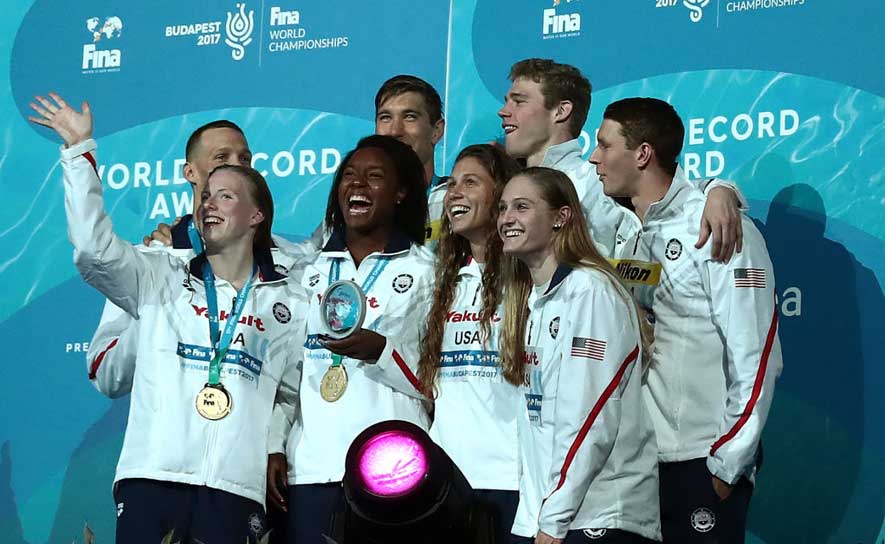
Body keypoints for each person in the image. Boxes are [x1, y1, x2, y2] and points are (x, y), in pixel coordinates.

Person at [29, 93, 306, 543]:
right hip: (153, 474)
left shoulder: (287, 286)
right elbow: (93, 251)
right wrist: (79, 154)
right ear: (191, 176)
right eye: (218, 164)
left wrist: (274, 446)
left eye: (242, 164)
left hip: (238, 485)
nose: (229, 171)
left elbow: (294, 388)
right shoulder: (156, 268)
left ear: (256, 210)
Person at [589, 97, 782, 543]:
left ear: (642, 154)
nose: (594, 158)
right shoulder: (621, 229)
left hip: (700, 460)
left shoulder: (718, 225)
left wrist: (727, 463)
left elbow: (756, 353)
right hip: (634, 464)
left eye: (604, 145)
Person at [266, 135, 435, 543]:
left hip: (393, 470)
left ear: (400, 193)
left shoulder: (428, 272)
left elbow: (438, 381)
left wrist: (381, 352)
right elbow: (288, 375)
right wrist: (275, 445)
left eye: (374, 177)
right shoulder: (306, 272)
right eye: (349, 175)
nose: (357, 185)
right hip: (310, 469)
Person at [498, 166, 661, 543]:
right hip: (551, 514)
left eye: (521, 207)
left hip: (596, 516)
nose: (507, 218)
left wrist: (554, 518)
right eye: (503, 208)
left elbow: (590, 416)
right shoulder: (534, 299)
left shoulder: (589, 291)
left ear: (561, 216)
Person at [85, 120, 303, 399]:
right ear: (190, 172)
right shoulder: (154, 261)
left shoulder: (290, 263)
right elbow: (106, 376)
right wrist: (155, 312)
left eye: (245, 158)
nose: (236, 165)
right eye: (221, 157)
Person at [498, 58, 745, 261]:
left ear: (561, 111)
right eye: (507, 100)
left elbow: (665, 192)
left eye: (519, 101)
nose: (504, 111)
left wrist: (720, 190)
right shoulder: (504, 190)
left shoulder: (595, 182)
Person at [417, 144, 522, 542]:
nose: (454, 192)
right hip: (450, 484)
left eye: (471, 182)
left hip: (515, 478)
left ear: (502, 196)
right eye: (453, 183)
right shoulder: (441, 282)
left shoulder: (528, 278)